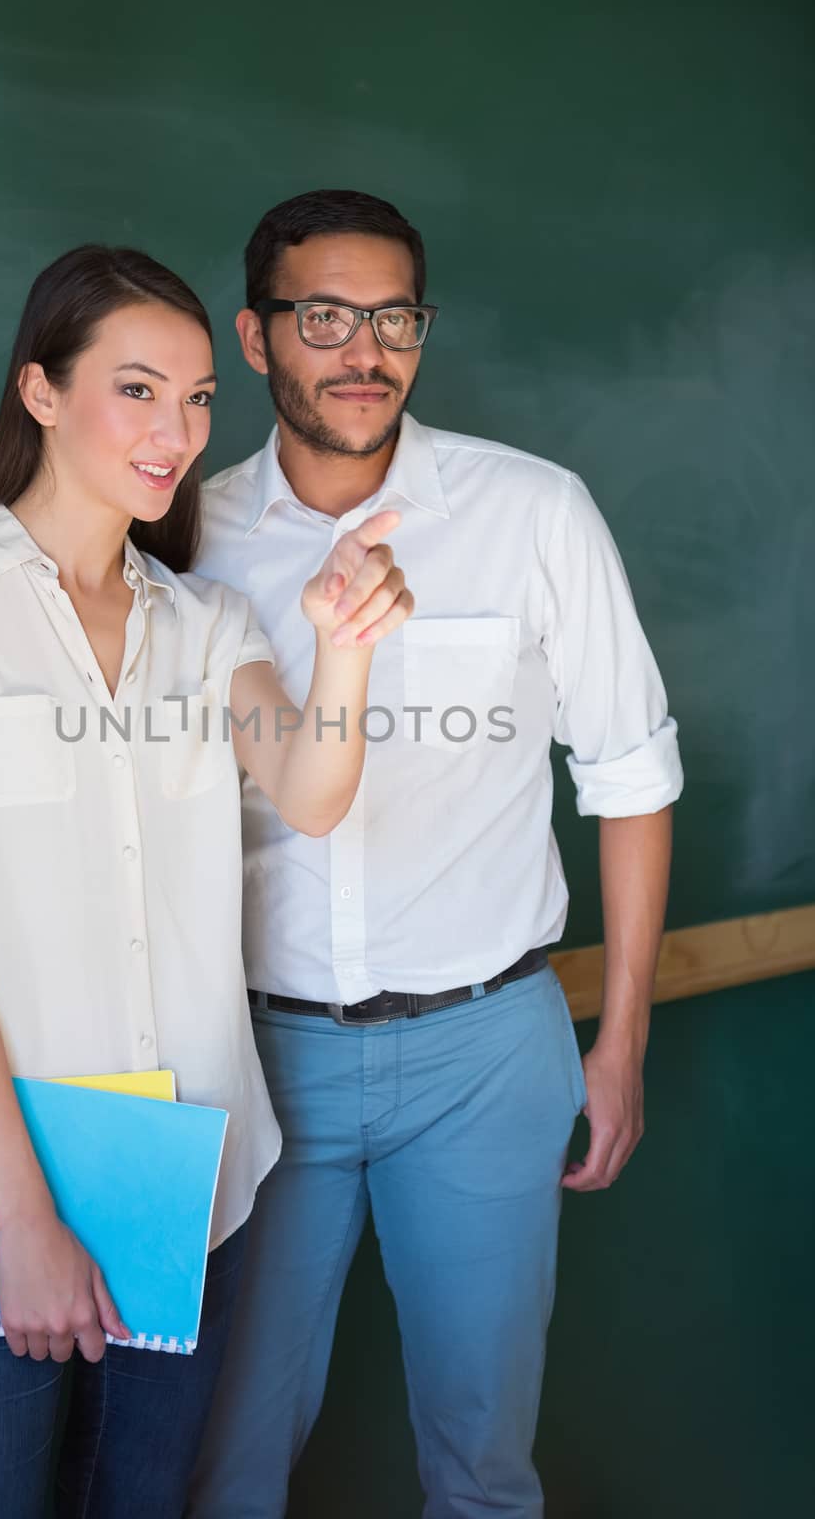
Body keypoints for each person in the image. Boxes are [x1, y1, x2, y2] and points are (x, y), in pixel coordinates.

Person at [0, 243, 413, 1519]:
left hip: (191, 1176)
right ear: (40, 391)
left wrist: (343, 638)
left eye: (199, 398)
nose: (177, 432)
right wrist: (24, 1221)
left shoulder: (205, 627)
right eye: (137, 390)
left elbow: (311, 793)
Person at [187, 190, 684, 1519]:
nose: (364, 350)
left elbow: (627, 778)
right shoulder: (180, 538)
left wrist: (620, 1037)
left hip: (484, 1052)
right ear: (253, 338)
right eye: (323, 316)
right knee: (217, 1466)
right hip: (252, 1057)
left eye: (393, 316)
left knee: (479, 1463)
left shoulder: (531, 512)